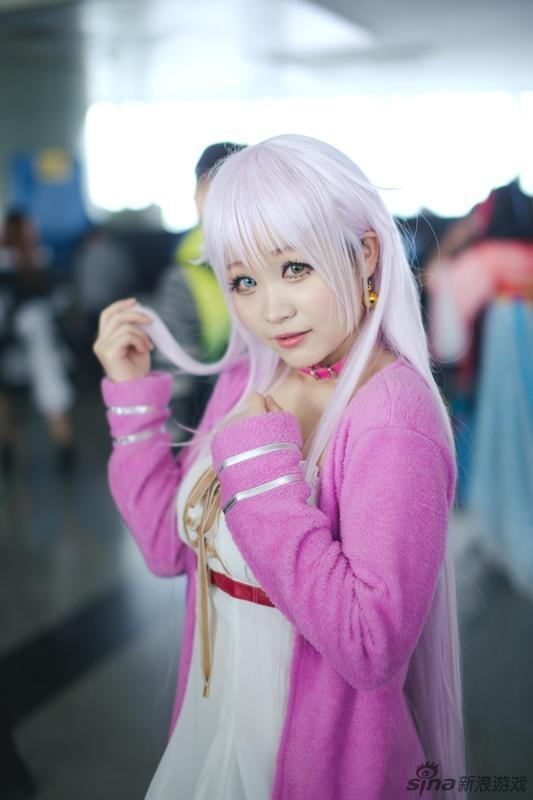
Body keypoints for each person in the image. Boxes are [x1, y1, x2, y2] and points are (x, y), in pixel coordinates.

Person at [94, 134, 466, 800]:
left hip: (316, 755)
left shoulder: (392, 416)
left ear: (365, 254)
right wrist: (133, 407)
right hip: (212, 722)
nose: (272, 310)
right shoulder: (250, 376)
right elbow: (169, 550)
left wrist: (263, 473)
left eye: (295, 267)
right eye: (244, 280)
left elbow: (371, 646)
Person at [148, 142, 246, 436]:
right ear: (201, 194)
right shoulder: (184, 278)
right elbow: (176, 381)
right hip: (220, 431)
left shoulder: (288, 256)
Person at [0, 209, 75, 474]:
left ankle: (14, 453)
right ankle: (59, 450)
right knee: (44, 395)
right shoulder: (37, 261)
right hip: (25, 341)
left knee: (35, 396)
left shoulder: (39, 259)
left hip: (32, 340)